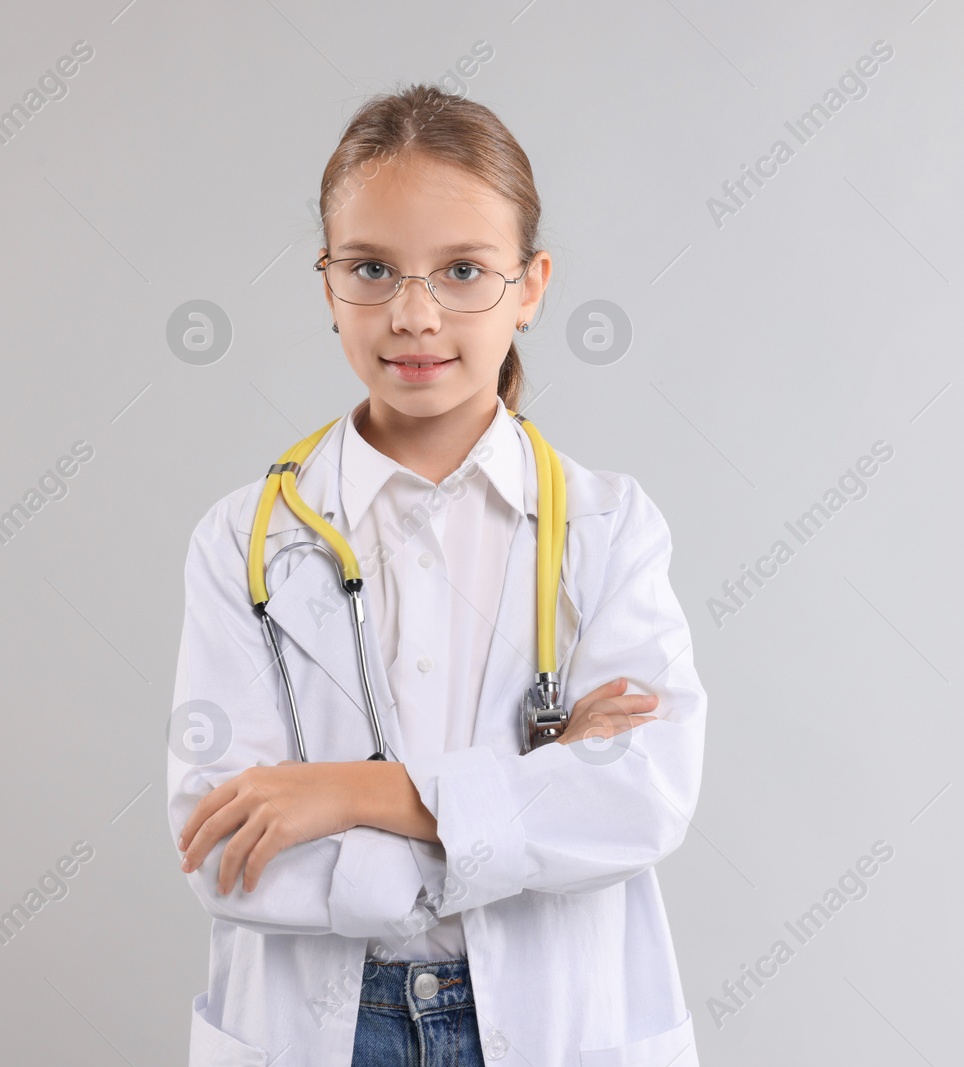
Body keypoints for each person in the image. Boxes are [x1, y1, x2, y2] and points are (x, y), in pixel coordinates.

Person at [165, 83, 706, 1067]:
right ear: (327, 284)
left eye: (462, 269)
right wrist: (513, 813)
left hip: (548, 1024)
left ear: (532, 286)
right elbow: (225, 850)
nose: (414, 314)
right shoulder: (239, 541)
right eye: (373, 268)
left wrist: (351, 794)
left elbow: (640, 797)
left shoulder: (608, 528)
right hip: (322, 1024)